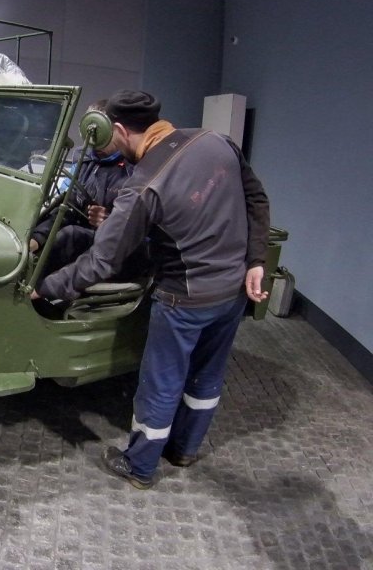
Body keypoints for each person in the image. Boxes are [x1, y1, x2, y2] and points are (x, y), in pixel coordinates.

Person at [32, 89, 270, 489]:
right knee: (207, 377)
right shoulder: (217, 141)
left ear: (119, 129)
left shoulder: (143, 186)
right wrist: (257, 260)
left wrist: (46, 288)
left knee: (162, 383)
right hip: (232, 292)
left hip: (184, 299)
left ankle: (140, 466)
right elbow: (256, 197)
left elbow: (101, 262)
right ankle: (184, 450)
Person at [30, 99, 141, 284]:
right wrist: (37, 237)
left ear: (116, 131)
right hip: (88, 235)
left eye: (101, 129)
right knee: (54, 212)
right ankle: (30, 248)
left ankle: (34, 293)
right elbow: (69, 202)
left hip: (120, 249)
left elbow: (143, 226)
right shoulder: (85, 159)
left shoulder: (134, 169)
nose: (94, 137)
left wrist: (109, 219)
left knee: (69, 236)